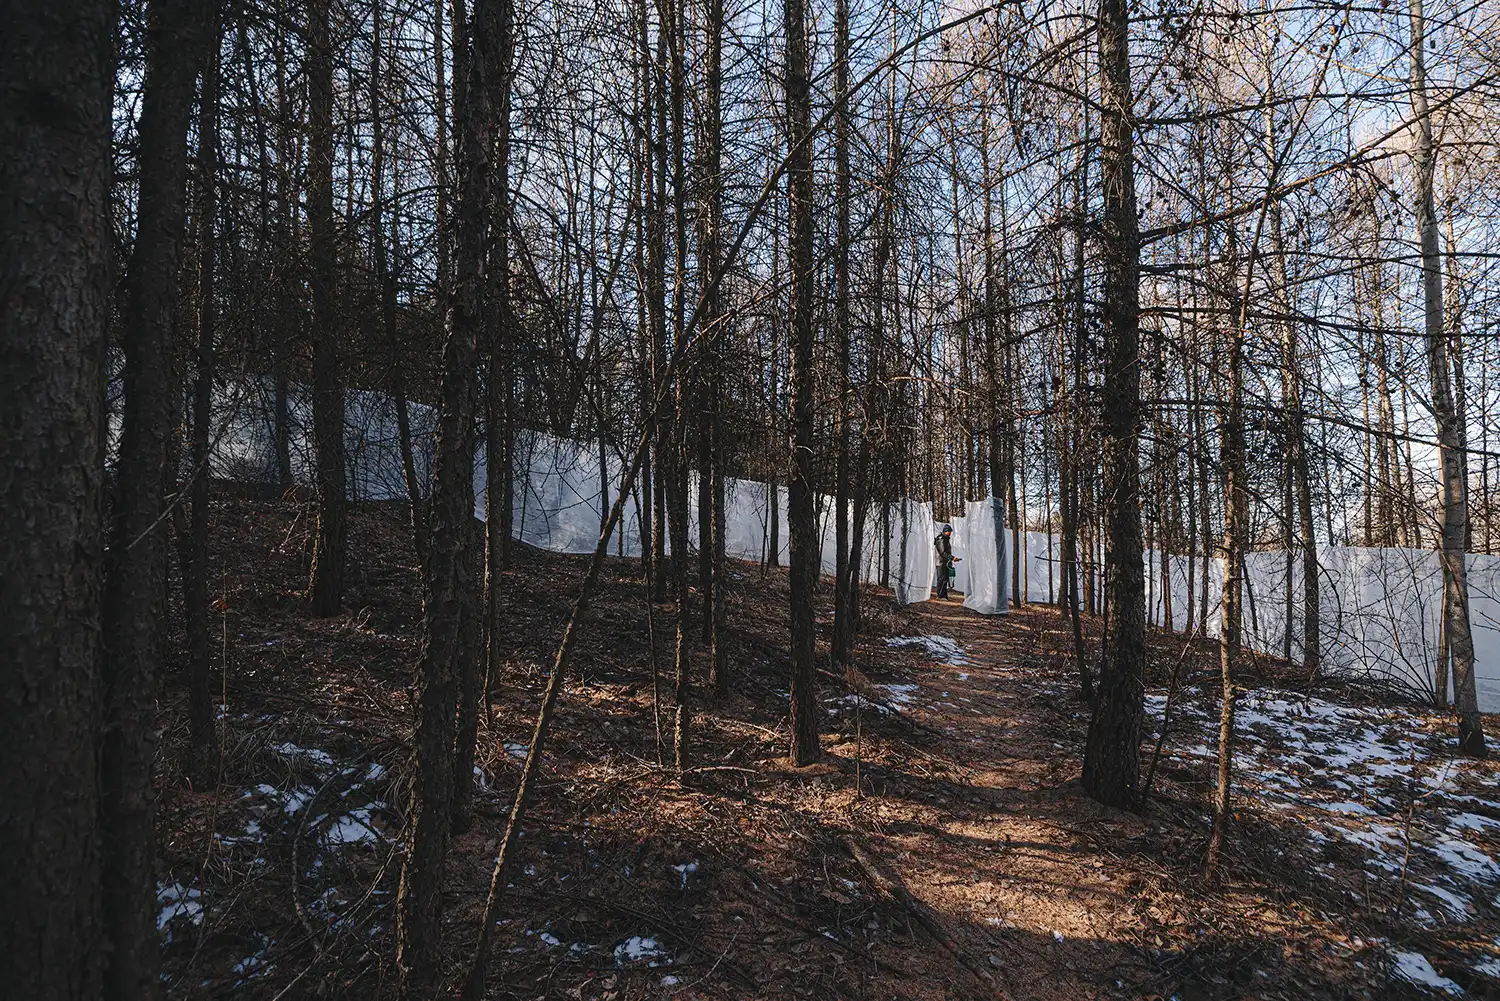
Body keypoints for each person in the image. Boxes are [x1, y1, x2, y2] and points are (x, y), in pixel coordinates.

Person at [934, 523, 960, 599]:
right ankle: (940, 596)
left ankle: (944, 596)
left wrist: (952, 559)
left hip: (944, 563)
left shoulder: (945, 538)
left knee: (945, 579)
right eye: (949, 531)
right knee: (941, 579)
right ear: (946, 531)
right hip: (941, 563)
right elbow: (942, 552)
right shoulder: (942, 539)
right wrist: (952, 558)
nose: (950, 533)